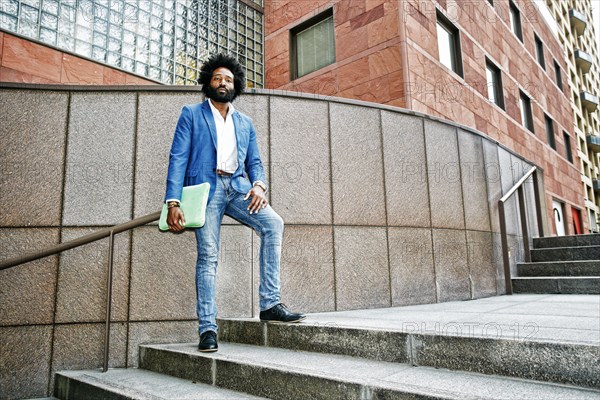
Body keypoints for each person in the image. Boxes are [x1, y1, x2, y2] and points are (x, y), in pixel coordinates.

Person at [164, 54, 305, 352]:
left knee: (273, 224)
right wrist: (173, 201)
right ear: (208, 82)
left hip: (238, 187)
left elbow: (255, 162)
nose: (223, 83)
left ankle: (270, 304)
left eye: (228, 79)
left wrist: (259, 186)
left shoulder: (245, 122)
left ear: (235, 85)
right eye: (217, 78)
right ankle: (207, 329)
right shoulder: (191, 114)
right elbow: (177, 158)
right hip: (207, 190)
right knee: (209, 256)